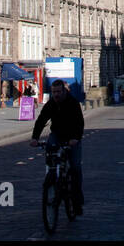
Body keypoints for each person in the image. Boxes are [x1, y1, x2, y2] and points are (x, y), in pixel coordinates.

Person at [31, 79, 86, 215]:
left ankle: (77, 201)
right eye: (54, 92)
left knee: (75, 167)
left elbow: (79, 122)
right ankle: (52, 175)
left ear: (63, 91)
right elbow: (41, 120)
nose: (56, 95)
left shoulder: (72, 103)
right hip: (57, 134)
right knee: (50, 150)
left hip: (72, 135)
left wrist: (75, 138)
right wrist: (35, 138)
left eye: (58, 92)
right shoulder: (51, 104)